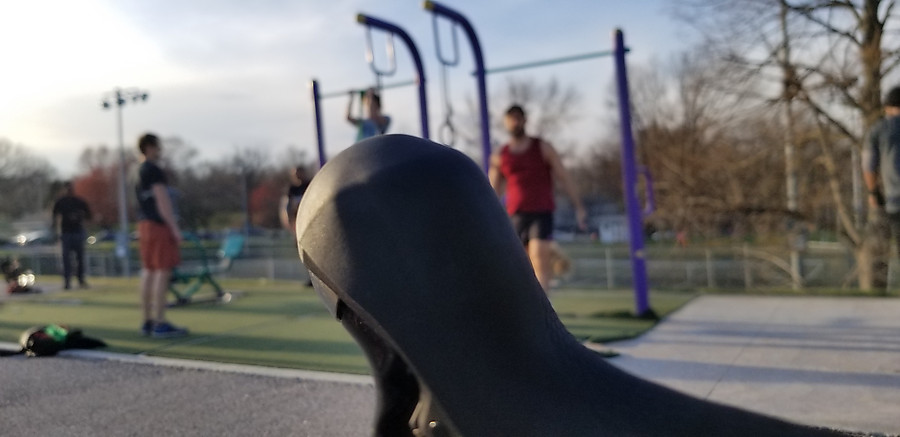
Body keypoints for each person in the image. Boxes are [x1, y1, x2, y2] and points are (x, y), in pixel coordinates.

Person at [489, 104, 587, 293]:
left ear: (525, 120)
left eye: (518, 118)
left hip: (541, 211)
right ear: (506, 123)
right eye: (511, 119)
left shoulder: (542, 147)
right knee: (519, 261)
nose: (515, 122)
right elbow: (492, 189)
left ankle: (543, 308)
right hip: (516, 213)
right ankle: (524, 305)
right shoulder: (501, 155)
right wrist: (488, 215)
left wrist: (579, 206)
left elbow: (564, 177)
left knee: (538, 256)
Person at [135, 133, 188, 338]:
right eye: (157, 147)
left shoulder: (136, 171)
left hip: (144, 225)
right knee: (161, 271)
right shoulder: (153, 170)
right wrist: (173, 227)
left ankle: (147, 320)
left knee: (148, 271)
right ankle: (160, 322)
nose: (160, 150)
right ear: (149, 147)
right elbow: (162, 199)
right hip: (158, 225)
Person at [52, 181, 92, 290]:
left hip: (77, 232)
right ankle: (67, 281)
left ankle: (80, 279)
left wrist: (80, 218)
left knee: (80, 258)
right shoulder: (61, 202)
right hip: (66, 233)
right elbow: (54, 216)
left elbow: (88, 214)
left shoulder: (78, 201)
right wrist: (55, 231)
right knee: (66, 259)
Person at [279, 166, 312, 235]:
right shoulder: (291, 189)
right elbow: (286, 205)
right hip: (297, 218)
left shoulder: (309, 185)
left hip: (309, 215)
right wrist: (287, 220)